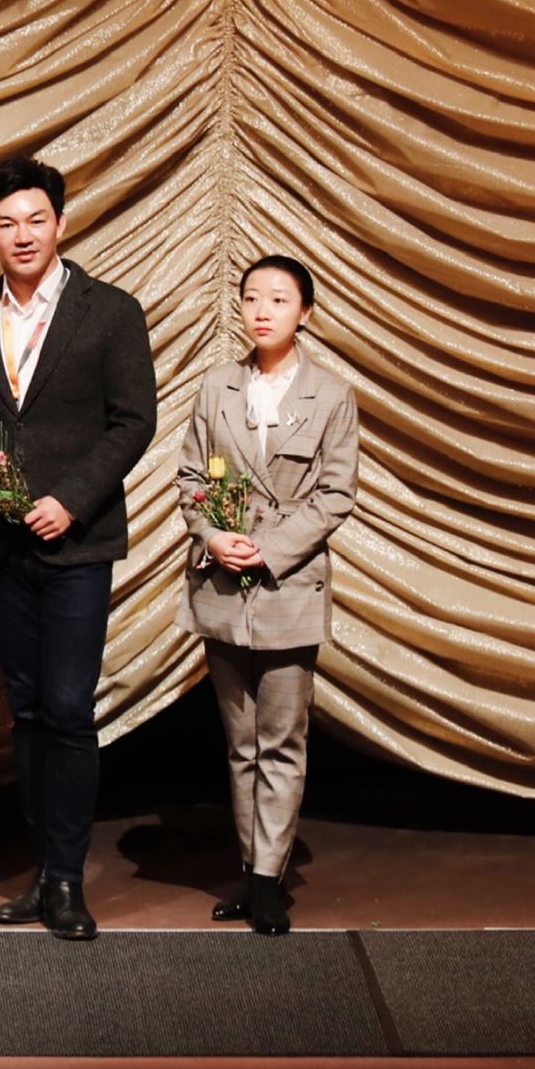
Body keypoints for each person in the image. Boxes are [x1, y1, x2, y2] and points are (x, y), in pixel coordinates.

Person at [0, 155, 158, 942]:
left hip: (78, 543)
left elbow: (133, 421)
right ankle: (41, 871)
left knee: (67, 710)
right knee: (26, 711)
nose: (23, 234)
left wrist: (72, 500)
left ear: (61, 223)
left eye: (36, 219)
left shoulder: (112, 311)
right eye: (6, 223)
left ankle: (67, 878)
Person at [176, 254, 359, 935]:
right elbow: (191, 476)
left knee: (281, 739)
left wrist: (272, 549)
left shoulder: (331, 394)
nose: (262, 310)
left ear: (305, 312)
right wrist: (214, 535)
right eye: (252, 297)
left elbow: (337, 493)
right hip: (223, 582)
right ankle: (252, 871)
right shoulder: (217, 385)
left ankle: (267, 882)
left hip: (288, 582)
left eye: (279, 299)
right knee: (241, 742)